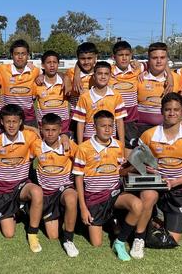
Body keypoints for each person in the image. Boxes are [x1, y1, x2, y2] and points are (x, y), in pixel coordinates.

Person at [73, 110, 145, 261]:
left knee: (138, 205)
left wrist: (134, 167)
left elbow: (119, 172)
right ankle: (109, 221)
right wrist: (83, 207)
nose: (107, 129)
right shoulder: (83, 148)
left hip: (114, 194)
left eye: (110, 126)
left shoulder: (118, 145)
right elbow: (78, 179)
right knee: (96, 243)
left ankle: (119, 242)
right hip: (94, 198)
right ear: (94, 127)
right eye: (103, 126)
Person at [139, 92, 182, 243]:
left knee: (172, 240)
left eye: (176, 110)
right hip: (154, 185)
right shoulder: (148, 135)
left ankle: (156, 219)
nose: (172, 113)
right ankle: (147, 221)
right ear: (162, 111)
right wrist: (145, 168)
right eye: (168, 109)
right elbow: (136, 164)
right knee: (148, 198)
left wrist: (173, 182)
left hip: (178, 188)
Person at [0, 104, 44, 252]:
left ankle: (32, 234)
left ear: (20, 122)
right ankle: (15, 210)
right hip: (2, 189)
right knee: (9, 234)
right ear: (1, 121)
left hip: (21, 185)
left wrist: (33, 129)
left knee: (37, 192)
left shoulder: (29, 137)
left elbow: (46, 142)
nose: (11, 125)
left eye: (15, 121)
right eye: (8, 121)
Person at [30, 113, 79, 257]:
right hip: (47, 195)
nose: (50, 133)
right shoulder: (36, 145)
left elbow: (82, 161)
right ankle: (62, 215)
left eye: (54, 130)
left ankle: (69, 240)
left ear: (60, 130)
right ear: (41, 129)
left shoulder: (68, 145)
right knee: (53, 236)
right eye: (47, 130)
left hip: (64, 189)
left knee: (71, 198)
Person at [73, 61, 126, 144]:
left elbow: (119, 122)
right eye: (100, 74)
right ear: (94, 76)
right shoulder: (84, 97)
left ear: (110, 76)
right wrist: (80, 145)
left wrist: (121, 144)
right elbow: (80, 123)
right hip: (89, 140)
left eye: (106, 74)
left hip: (111, 139)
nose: (103, 77)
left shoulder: (116, 96)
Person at [136, 42, 182, 134]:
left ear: (167, 60)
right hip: (141, 129)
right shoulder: (138, 77)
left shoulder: (176, 78)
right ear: (148, 60)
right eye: (154, 58)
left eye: (162, 57)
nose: (159, 61)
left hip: (168, 128)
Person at [0, 39, 41, 126]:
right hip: (8, 116)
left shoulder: (35, 71)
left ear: (28, 55)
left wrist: (41, 75)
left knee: (33, 138)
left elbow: (49, 74)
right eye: (17, 54)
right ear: (12, 55)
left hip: (28, 117)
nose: (20, 57)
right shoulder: (2, 69)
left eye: (23, 53)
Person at [34, 50, 71, 134]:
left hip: (63, 127)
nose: (52, 65)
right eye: (48, 62)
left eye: (54, 62)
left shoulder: (65, 82)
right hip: (45, 127)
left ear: (58, 64)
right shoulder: (37, 84)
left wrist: (65, 77)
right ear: (43, 65)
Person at [66, 42, 98, 109]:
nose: (86, 62)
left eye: (89, 58)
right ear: (78, 58)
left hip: (95, 114)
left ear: (96, 57)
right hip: (75, 114)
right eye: (83, 59)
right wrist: (76, 75)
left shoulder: (101, 72)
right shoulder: (70, 72)